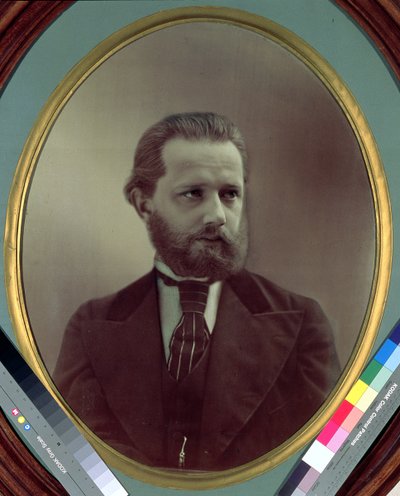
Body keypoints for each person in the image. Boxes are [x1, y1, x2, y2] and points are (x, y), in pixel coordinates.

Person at [53, 112, 340, 471]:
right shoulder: (91, 325)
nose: (217, 215)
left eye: (230, 194)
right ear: (144, 203)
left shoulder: (302, 324)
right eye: (193, 194)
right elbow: (74, 463)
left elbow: (323, 461)